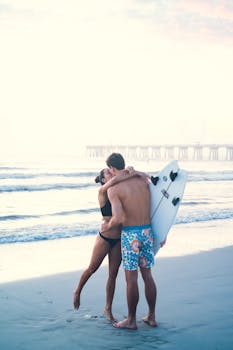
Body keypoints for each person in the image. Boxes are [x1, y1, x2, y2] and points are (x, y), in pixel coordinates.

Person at [73, 166, 146, 322]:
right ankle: (77, 291)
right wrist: (127, 172)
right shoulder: (102, 192)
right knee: (92, 268)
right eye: (108, 173)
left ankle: (108, 308)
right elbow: (117, 178)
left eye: (111, 171)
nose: (111, 173)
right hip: (105, 238)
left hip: (119, 238)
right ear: (104, 180)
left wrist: (134, 173)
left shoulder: (118, 190)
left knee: (112, 275)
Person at [100, 153, 157, 330]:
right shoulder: (142, 181)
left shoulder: (113, 189)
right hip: (148, 231)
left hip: (131, 235)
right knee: (147, 276)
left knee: (131, 279)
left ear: (111, 168)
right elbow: (155, 207)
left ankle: (131, 320)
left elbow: (116, 218)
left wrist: (107, 226)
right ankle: (151, 316)